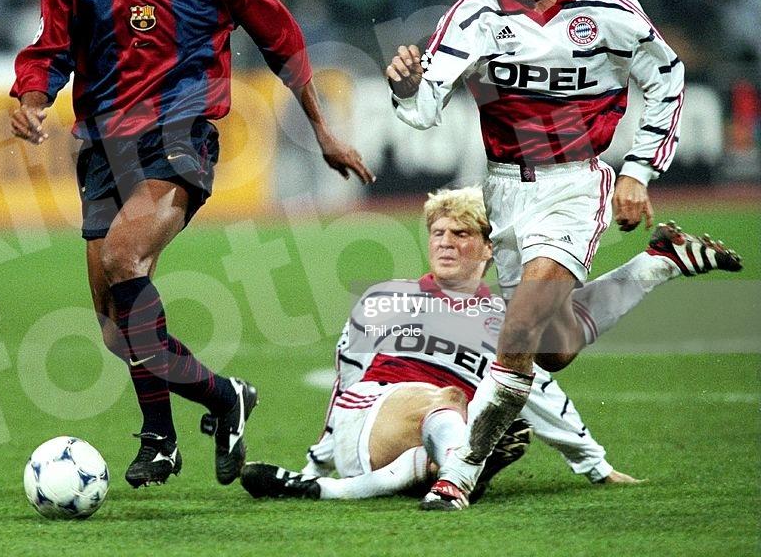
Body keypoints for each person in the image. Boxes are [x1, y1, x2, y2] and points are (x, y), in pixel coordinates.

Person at [9, 0, 375, 489]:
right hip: (101, 148)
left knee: (124, 257)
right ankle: (221, 400)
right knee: (115, 328)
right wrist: (32, 98)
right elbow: (50, 51)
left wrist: (322, 130)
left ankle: (160, 439)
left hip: (179, 136)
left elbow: (283, 39)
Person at [384, 0, 696, 509]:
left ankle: (459, 475)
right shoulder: (474, 14)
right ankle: (657, 264)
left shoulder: (606, 9)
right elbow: (423, 110)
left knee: (518, 330)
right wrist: (407, 86)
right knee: (548, 351)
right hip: (503, 191)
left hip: (574, 185)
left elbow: (666, 75)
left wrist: (637, 170)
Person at [240, 188, 742, 502]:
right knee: (453, 403)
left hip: (424, 442)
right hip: (370, 418)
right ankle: (456, 471)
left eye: (461, 233)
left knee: (479, 405)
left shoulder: (504, 319)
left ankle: (339, 488)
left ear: (489, 247)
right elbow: (346, 380)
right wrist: (318, 455)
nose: (445, 242)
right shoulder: (385, 299)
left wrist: (597, 467)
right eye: (438, 232)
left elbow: (542, 394)